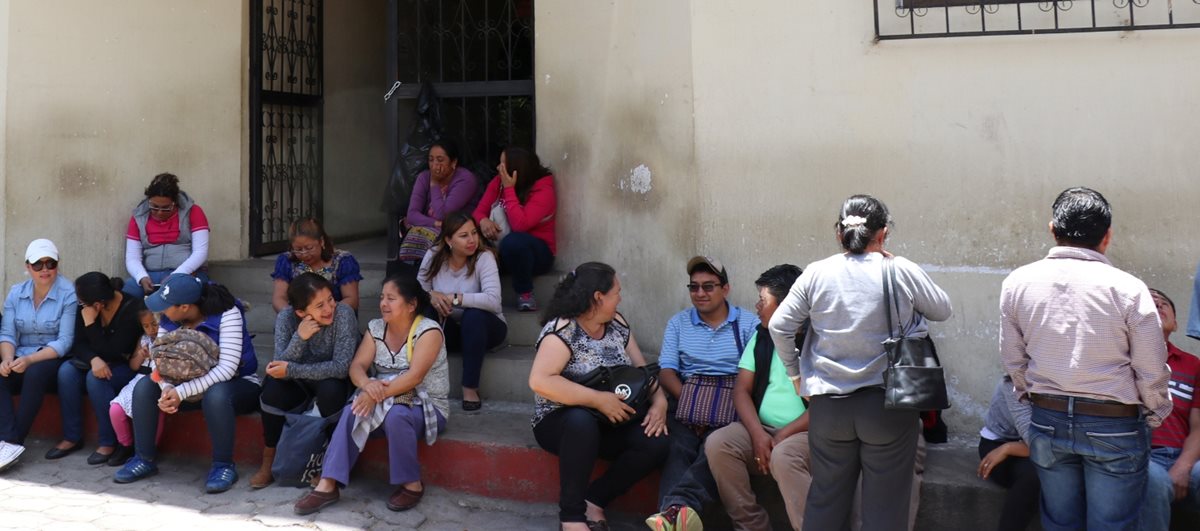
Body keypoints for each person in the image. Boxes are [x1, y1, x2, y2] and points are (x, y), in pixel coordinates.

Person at [769, 194, 952, 531]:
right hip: (888, 406)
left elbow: (779, 326)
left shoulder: (816, 273)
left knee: (825, 501)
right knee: (885, 511)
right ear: (882, 233)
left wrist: (796, 377)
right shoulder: (899, 270)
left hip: (828, 409)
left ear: (839, 233)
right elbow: (942, 308)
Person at [999, 187, 1170, 530]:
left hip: (1048, 416)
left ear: (1052, 229)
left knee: (1060, 523)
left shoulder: (1018, 282)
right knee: (1113, 525)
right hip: (1115, 423)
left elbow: (1013, 362)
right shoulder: (1129, 288)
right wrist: (1154, 413)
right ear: (1107, 237)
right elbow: (1151, 369)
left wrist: (1031, 399)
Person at [528, 262, 669, 530]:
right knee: (581, 422)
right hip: (560, 422)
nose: (621, 297)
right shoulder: (562, 331)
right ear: (598, 297)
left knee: (656, 441)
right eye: (616, 291)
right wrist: (596, 399)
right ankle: (571, 517)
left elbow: (642, 371)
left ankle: (595, 499)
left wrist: (659, 401)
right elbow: (539, 381)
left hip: (609, 417)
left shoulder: (617, 323)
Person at [293, 275, 449, 515]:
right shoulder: (376, 328)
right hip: (381, 397)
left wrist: (373, 394)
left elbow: (414, 377)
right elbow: (356, 367)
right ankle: (328, 484)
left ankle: (411, 484)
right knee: (353, 409)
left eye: (391, 298)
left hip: (425, 405)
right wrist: (366, 385)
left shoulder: (429, 331)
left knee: (397, 414)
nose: (383, 304)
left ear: (411, 304)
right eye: (382, 298)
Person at [114, 274, 260, 493]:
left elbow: (227, 369)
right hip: (184, 384)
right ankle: (143, 458)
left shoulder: (227, 313)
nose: (160, 311)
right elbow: (158, 359)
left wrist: (180, 392)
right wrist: (167, 389)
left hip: (237, 384)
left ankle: (223, 465)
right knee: (144, 387)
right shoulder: (169, 317)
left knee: (217, 394)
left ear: (184, 307)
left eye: (165, 306)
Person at [647, 256, 758, 530]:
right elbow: (666, 371)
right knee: (677, 446)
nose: (700, 293)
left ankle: (674, 511)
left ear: (725, 289)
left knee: (714, 448)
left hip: (731, 405)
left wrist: (713, 407)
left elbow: (755, 375)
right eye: (694, 287)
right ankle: (678, 517)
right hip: (687, 398)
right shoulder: (679, 323)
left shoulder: (747, 323)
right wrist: (694, 403)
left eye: (708, 286)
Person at [704, 264, 811, 531]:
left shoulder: (817, 341)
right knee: (719, 443)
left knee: (784, 457)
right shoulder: (762, 336)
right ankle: (752, 526)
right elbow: (741, 390)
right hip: (764, 430)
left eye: (763, 301)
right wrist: (758, 434)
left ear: (787, 305)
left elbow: (825, 407)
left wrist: (780, 437)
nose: (756, 306)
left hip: (806, 433)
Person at [250, 272, 358, 488]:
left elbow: (341, 367)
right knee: (272, 389)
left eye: (330, 299)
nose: (329, 309)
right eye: (319, 306)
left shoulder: (344, 314)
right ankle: (268, 462)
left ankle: (330, 464)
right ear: (301, 312)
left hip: (333, 380)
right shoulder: (287, 318)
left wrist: (293, 370)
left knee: (331, 390)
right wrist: (300, 337)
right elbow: (277, 366)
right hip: (301, 383)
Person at [0, 239, 77, 471]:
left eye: (50, 264)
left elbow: (64, 342)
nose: (45, 270)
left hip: (50, 358)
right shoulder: (16, 293)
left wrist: (30, 359)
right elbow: (7, 333)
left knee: (34, 374)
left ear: (57, 265)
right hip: (20, 355)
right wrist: (6, 359)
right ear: (27, 267)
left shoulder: (69, 294)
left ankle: (13, 442)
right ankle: (6, 438)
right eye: (38, 265)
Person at [418, 212, 507, 411]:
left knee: (473, 315)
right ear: (448, 240)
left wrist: (455, 298)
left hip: (486, 328)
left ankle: (470, 388)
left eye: (474, 233)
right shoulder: (434, 255)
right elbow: (417, 289)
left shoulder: (484, 257)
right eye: (463, 235)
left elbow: (494, 301)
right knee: (427, 313)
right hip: (448, 329)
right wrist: (431, 295)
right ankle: (418, 382)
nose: (472, 240)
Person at [54, 272, 145, 465]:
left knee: (96, 379)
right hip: (93, 361)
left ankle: (108, 442)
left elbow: (114, 352)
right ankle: (72, 437)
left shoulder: (132, 309)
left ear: (98, 304)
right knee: (66, 372)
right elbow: (78, 343)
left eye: (83, 303)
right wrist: (94, 359)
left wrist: (90, 324)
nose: (81, 305)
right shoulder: (86, 307)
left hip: (125, 366)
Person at [1140, 288, 1200, 531]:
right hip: (1140, 456)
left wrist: (1183, 466)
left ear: (1175, 324)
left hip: (1185, 455)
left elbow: (1198, 427)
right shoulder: (1120, 361)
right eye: (1149, 302)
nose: (1158, 305)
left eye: (1164, 303)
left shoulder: (1193, 365)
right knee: (1152, 480)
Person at [473, 147, 557, 312]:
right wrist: (483, 221)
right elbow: (478, 211)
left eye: (503, 164)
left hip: (536, 254)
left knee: (514, 242)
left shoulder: (544, 191)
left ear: (516, 170)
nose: (498, 168)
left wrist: (509, 189)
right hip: (502, 248)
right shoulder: (497, 182)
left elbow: (521, 225)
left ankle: (525, 293)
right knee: (464, 235)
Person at [396, 139, 478, 271]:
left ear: (454, 162)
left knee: (436, 237)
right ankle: (419, 277)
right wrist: (435, 223)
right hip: (434, 227)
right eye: (431, 159)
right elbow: (412, 214)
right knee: (419, 234)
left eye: (440, 160)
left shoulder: (465, 179)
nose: (434, 165)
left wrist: (434, 184)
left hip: (459, 229)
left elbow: (444, 214)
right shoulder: (423, 177)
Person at [124, 173, 210, 296]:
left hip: (188, 272)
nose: (159, 212)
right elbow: (132, 257)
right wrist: (141, 277)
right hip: (150, 274)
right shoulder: (139, 216)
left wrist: (178, 275)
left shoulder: (194, 212)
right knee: (129, 290)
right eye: (154, 207)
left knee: (185, 292)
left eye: (165, 208)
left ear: (175, 202)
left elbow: (200, 253)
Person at [977, 375, 1039, 531]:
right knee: (1035, 475)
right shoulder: (1013, 381)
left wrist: (1010, 447)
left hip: (1027, 447)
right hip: (998, 444)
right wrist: (1007, 447)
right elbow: (1037, 444)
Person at [108, 307, 164, 467]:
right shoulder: (144, 339)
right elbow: (133, 366)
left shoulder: (168, 338)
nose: (151, 329)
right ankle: (125, 445)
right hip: (139, 378)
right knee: (116, 409)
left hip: (158, 381)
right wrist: (140, 355)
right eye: (146, 326)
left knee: (155, 412)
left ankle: (150, 449)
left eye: (154, 324)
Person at [270, 218, 363, 312]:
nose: (304, 254)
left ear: (321, 241)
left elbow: (352, 299)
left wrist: (324, 313)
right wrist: (292, 315)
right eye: (298, 249)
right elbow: (279, 298)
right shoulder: (286, 261)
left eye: (309, 248)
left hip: (334, 316)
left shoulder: (343, 261)